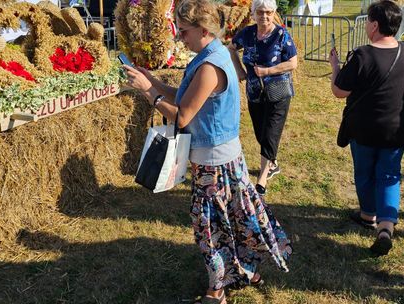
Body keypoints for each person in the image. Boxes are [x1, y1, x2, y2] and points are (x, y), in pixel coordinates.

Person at [123, 0, 292, 302]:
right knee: (235, 222)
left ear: (203, 30)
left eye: (184, 31)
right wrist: (152, 80)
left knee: (211, 232)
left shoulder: (210, 65)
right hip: (221, 158)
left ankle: (217, 292)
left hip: (214, 164)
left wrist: (146, 92)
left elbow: (184, 114)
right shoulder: (214, 53)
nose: (179, 37)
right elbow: (183, 95)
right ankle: (246, 271)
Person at [329, 0, 404, 256]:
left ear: (375, 25)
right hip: (396, 127)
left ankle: (368, 214)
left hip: (364, 129)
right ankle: (386, 227)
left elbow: (339, 91)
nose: (366, 25)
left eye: (367, 20)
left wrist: (335, 67)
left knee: (365, 173)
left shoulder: (362, 55)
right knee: (389, 176)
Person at [228, 0, 298, 196]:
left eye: (268, 12)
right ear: (253, 14)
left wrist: (268, 70)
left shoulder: (282, 35)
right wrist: (240, 71)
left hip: (278, 92)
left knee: (270, 133)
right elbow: (231, 48)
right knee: (260, 132)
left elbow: (293, 63)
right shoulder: (247, 33)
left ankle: (262, 179)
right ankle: (272, 163)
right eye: (260, 12)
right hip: (254, 92)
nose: (264, 16)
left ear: (273, 13)